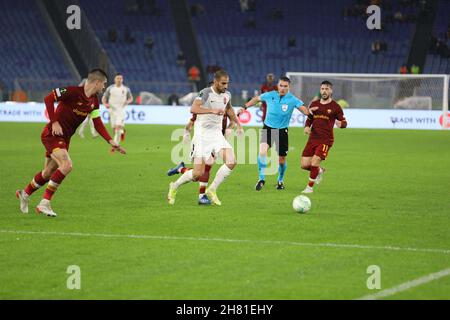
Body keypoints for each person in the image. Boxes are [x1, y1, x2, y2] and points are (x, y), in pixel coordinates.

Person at [15, 69, 126, 217]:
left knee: (48, 173)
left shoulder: (94, 101)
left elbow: (97, 122)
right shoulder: (71, 91)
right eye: (104, 84)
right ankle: (44, 203)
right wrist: (54, 122)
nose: (104, 87)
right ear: (97, 82)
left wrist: (111, 141)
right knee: (67, 165)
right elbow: (48, 98)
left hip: (65, 138)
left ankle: (25, 193)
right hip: (52, 135)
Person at [167, 70, 243, 206]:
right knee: (197, 174)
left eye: (227, 83)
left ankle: (212, 189)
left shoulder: (227, 95)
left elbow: (230, 109)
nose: (226, 86)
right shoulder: (206, 92)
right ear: (215, 81)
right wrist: (211, 110)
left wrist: (238, 124)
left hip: (216, 134)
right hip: (201, 135)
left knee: (231, 161)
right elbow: (194, 108)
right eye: (223, 83)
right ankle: (175, 186)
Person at [238, 76, 312, 191]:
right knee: (262, 152)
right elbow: (256, 99)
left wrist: (311, 111)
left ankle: (280, 180)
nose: (282, 88)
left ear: (289, 87)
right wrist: (244, 107)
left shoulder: (292, 99)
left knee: (281, 160)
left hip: (282, 131)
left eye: (285, 86)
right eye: (281, 85)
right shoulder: (270, 95)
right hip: (268, 128)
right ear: (278, 85)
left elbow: (305, 111)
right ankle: (261, 179)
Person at [167, 112, 236, 205]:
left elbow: (233, 120)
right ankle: (179, 183)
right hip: (202, 140)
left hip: (217, 140)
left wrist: (230, 128)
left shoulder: (224, 102)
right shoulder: (204, 107)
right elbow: (191, 122)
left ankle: (203, 195)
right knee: (198, 174)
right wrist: (186, 134)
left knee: (207, 167)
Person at [300, 81, 347, 194]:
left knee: (315, 162)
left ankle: (309, 188)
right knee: (304, 165)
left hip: (326, 140)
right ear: (320, 90)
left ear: (331, 91)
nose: (324, 91)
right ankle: (319, 170)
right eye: (322, 89)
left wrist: (341, 124)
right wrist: (307, 127)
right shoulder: (314, 104)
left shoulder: (336, 107)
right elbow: (310, 118)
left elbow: (343, 121)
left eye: (326, 89)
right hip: (312, 138)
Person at [102, 73, 133, 148]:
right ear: (115, 79)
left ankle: (115, 146)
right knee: (114, 129)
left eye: (120, 78)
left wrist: (127, 102)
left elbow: (131, 98)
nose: (119, 80)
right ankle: (122, 132)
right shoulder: (110, 88)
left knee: (117, 127)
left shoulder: (126, 89)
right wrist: (105, 104)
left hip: (121, 110)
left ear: (122, 80)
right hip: (112, 110)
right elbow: (104, 97)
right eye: (117, 78)